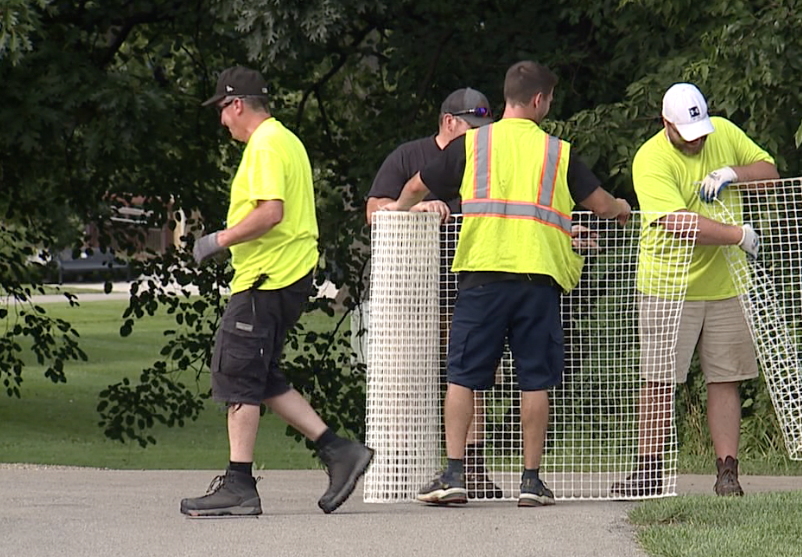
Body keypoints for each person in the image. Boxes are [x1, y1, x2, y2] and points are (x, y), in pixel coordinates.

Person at [382, 60, 631, 507]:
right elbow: (600, 204)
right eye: (550, 99)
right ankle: (531, 482)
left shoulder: (473, 145)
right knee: (534, 381)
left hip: (483, 275)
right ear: (538, 100)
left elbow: (419, 185)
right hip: (539, 280)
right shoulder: (559, 152)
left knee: (462, 376)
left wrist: (397, 213)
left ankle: (454, 473)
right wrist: (621, 208)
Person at [182, 66, 375, 517]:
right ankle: (339, 451)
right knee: (262, 376)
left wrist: (219, 240)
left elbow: (270, 212)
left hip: (265, 278)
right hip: (285, 276)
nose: (222, 121)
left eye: (222, 111)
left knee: (238, 375)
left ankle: (239, 485)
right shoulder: (286, 140)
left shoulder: (266, 144)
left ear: (236, 104)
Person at [613, 82, 778, 498]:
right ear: (665, 123)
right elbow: (678, 223)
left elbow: (770, 176)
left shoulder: (722, 131)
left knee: (726, 378)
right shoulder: (650, 158)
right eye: (688, 135)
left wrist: (732, 173)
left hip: (725, 284)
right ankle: (648, 472)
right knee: (658, 380)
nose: (698, 141)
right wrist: (737, 235)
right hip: (668, 286)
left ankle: (728, 474)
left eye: (701, 132)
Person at [364, 88, 504, 499]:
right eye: (470, 126)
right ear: (448, 122)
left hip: (471, 285)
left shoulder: (486, 160)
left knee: (473, 377)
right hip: (412, 294)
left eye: (483, 128)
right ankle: (398, 465)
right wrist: (417, 207)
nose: (477, 135)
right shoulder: (409, 157)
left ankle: (470, 467)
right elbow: (375, 210)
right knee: (407, 379)